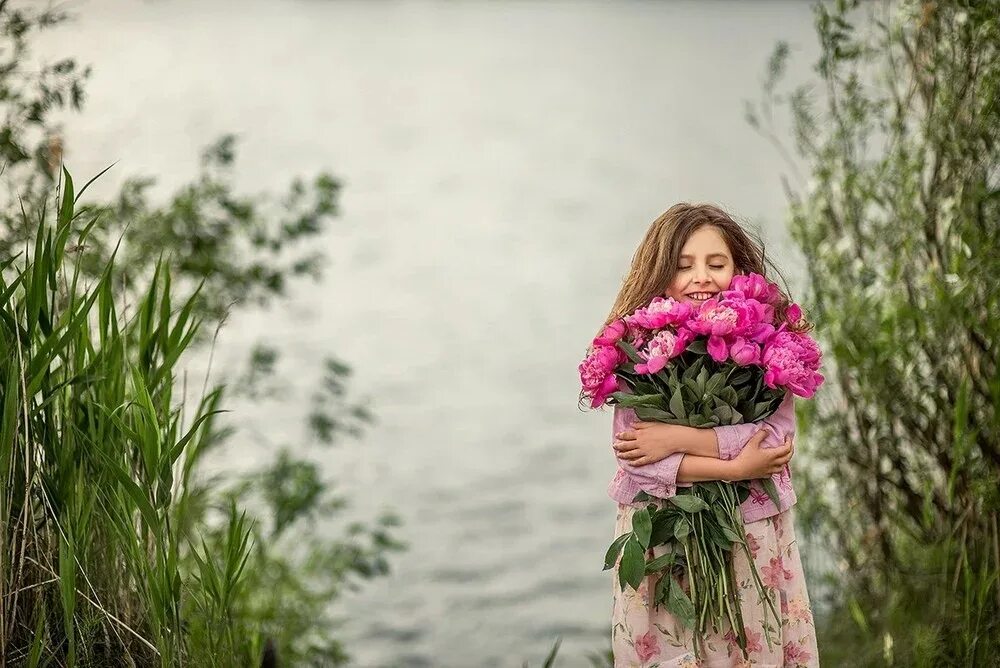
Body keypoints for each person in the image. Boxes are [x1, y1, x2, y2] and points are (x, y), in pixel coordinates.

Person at [601, 204, 819, 667]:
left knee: (748, 646)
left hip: (749, 534)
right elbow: (637, 456)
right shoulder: (635, 349)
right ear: (659, 276)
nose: (701, 277)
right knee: (675, 645)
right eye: (683, 266)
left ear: (739, 271)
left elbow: (772, 440)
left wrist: (677, 437)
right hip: (663, 536)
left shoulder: (768, 347)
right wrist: (734, 466)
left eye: (716, 264)